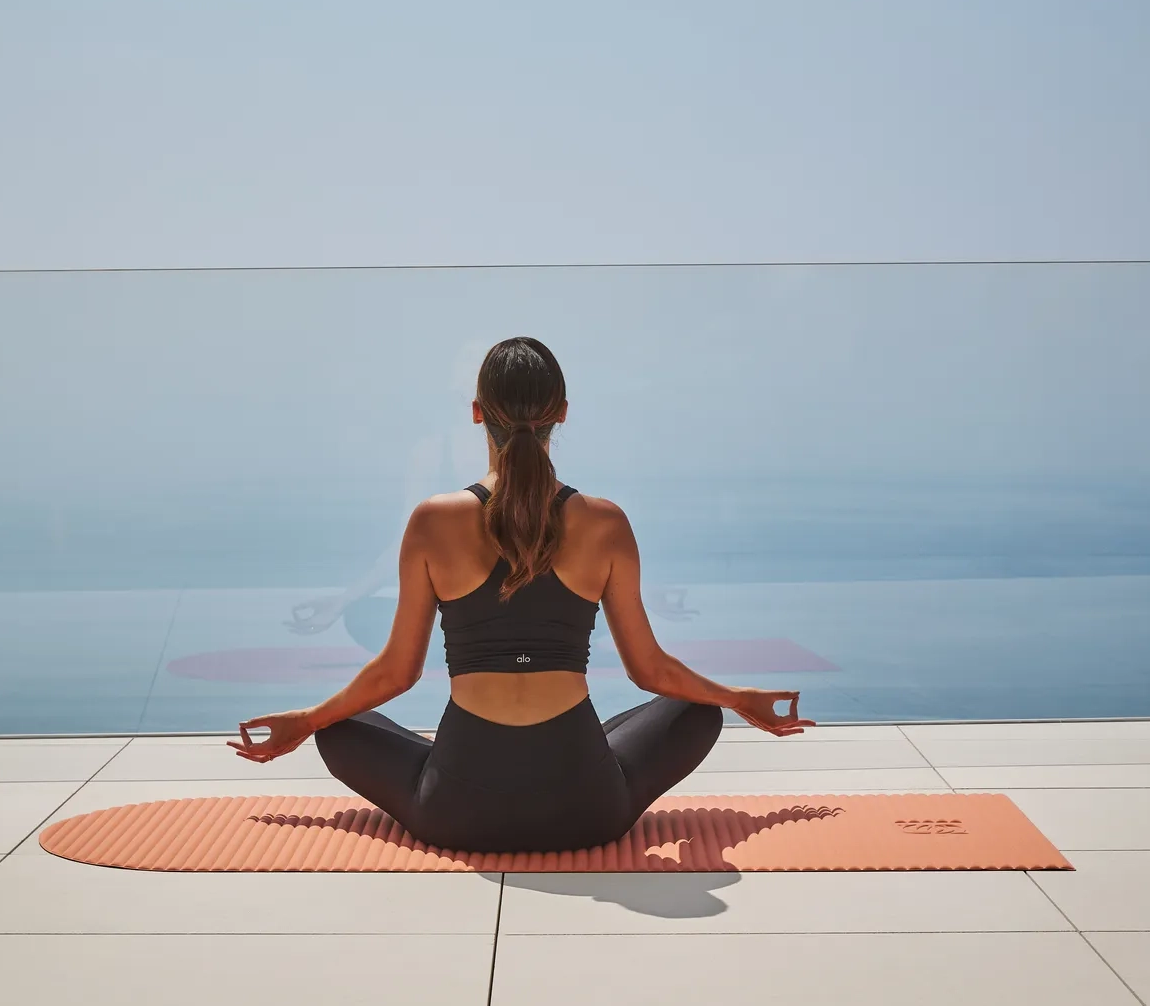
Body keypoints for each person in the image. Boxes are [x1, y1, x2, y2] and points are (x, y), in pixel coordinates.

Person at [229, 336, 814, 853]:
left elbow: (395, 675)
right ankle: (592, 748)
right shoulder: (606, 522)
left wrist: (306, 720)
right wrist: (739, 698)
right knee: (697, 709)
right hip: (588, 812)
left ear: (479, 413)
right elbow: (652, 671)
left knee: (338, 727)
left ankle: (406, 751)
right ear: (561, 414)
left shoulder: (433, 521)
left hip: (457, 815)